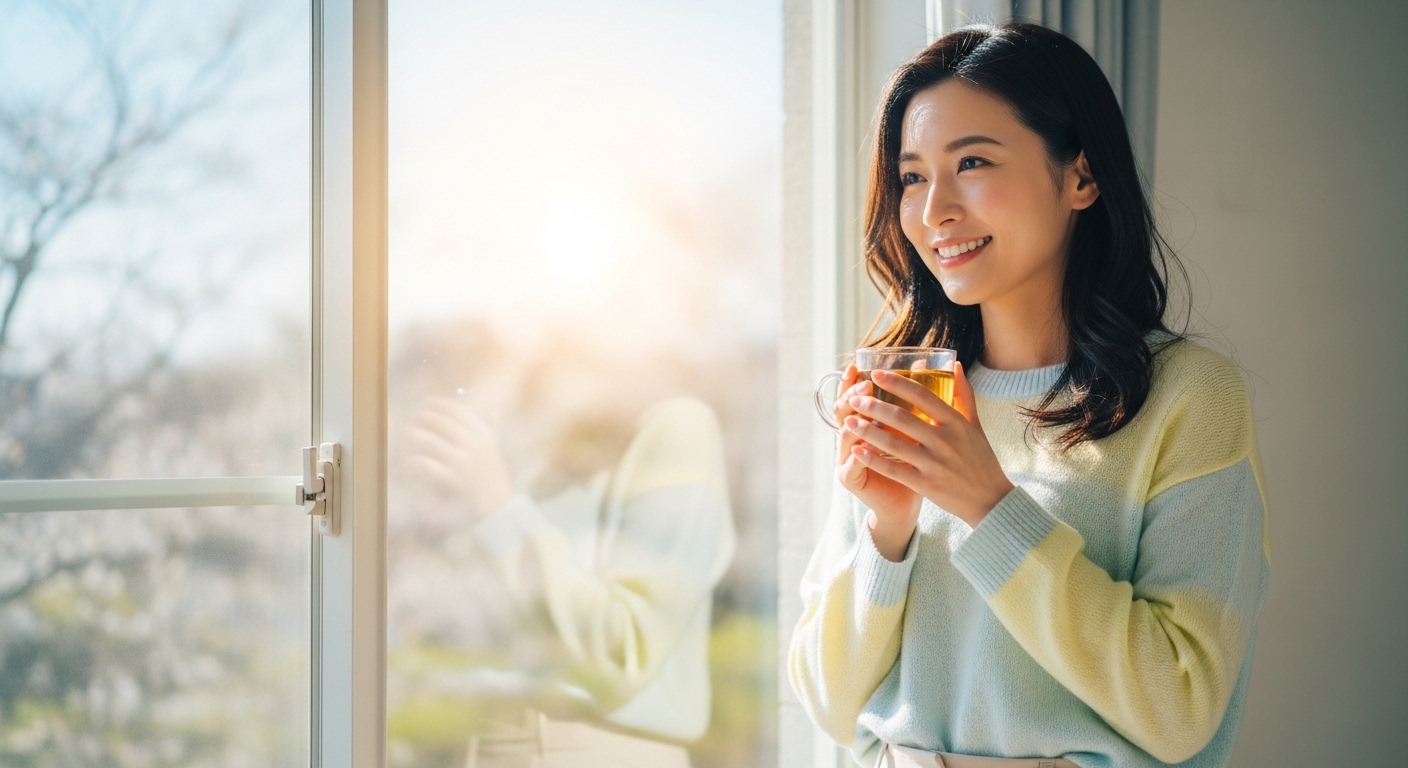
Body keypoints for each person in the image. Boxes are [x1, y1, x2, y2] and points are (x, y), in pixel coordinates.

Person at [788, 23, 1269, 768]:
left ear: (1081, 177)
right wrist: (887, 531)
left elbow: (1180, 707)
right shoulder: (909, 395)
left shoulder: (1188, 398)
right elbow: (828, 702)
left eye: (972, 162)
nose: (934, 210)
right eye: (912, 177)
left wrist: (989, 505)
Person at [410, 396, 736, 768]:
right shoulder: (534, 426)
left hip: (595, 752)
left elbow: (625, 647)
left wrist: (495, 501)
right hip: (473, 743)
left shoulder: (673, 426)